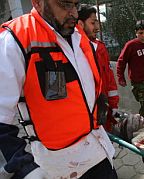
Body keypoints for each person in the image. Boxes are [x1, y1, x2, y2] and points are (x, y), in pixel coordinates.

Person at [0, 0, 117, 178]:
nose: (74, 14)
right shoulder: (14, 41)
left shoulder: (79, 35)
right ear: (38, 3)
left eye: (76, 5)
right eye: (64, 5)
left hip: (99, 151)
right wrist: (21, 166)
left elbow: (89, 92)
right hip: (59, 166)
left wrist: (113, 118)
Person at [78, 4, 119, 132]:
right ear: (80, 24)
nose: (97, 27)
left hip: (104, 110)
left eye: (97, 22)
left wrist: (113, 104)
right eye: (92, 23)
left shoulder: (100, 47)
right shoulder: (74, 50)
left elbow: (109, 78)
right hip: (86, 113)